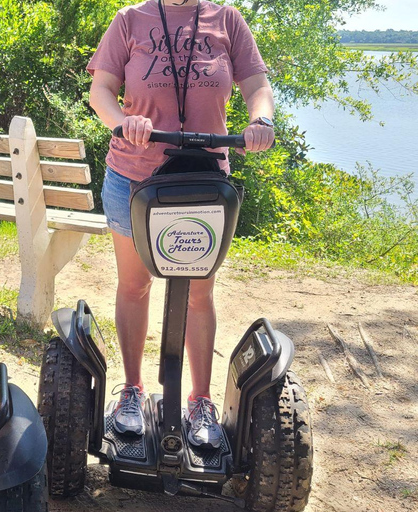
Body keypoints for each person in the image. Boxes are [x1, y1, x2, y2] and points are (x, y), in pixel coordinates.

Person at [87, 0, 275, 449]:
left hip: (203, 180)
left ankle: (201, 400)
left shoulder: (227, 19)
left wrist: (261, 120)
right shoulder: (130, 20)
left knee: (197, 294)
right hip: (135, 177)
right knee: (134, 286)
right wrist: (122, 122)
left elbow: (257, 85)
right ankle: (131, 392)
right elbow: (101, 93)